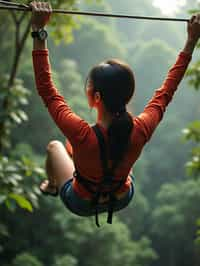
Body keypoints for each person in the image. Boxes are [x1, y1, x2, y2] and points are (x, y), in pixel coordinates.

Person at [30, 1, 200, 226]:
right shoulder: (141, 128)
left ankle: (52, 185)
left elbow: (47, 91)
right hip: (120, 198)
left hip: (80, 202)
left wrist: (38, 31)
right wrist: (191, 41)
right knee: (78, 148)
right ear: (128, 95)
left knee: (55, 146)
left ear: (96, 97)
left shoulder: (81, 134)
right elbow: (167, 91)